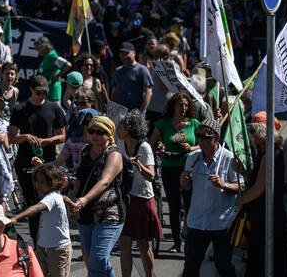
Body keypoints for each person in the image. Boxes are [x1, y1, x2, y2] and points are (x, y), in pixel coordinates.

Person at [179, 121, 244, 277]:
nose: (201, 141)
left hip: (220, 223)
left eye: (206, 137)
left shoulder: (229, 159)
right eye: (198, 136)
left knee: (223, 266)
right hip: (197, 221)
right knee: (190, 267)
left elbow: (241, 186)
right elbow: (187, 189)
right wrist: (184, 181)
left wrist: (223, 184)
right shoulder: (192, 158)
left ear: (217, 138)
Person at [7, 76, 67, 245]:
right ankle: (36, 242)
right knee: (32, 202)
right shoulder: (20, 109)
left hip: (47, 162)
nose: (41, 96)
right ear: (31, 91)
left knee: (49, 200)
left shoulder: (54, 108)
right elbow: (11, 138)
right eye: (38, 92)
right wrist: (25, 137)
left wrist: (45, 141)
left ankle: (51, 241)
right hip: (26, 161)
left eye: (45, 93)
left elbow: (62, 136)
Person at [66, 115, 124, 277]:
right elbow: (80, 178)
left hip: (109, 213)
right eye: (92, 131)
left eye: (101, 132)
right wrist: (71, 197)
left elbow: (104, 182)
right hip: (86, 213)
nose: (96, 136)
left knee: (98, 259)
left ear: (109, 134)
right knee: (95, 261)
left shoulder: (114, 155)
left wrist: (84, 199)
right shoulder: (86, 151)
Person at [237, 112, 287, 277]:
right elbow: (257, 179)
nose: (251, 136)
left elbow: (259, 188)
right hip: (263, 216)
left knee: (263, 262)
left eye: (253, 132)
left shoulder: (270, 155)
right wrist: (243, 171)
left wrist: (239, 202)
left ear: (261, 133)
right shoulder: (265, 152)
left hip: (268, 218)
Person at [149, 92, 199, 253]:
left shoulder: (194, 124)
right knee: (174, 205)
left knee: (190, 205)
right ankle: (177, 242)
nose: (183, 108)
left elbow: (204, 144)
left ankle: (189, 238)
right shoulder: (163, 124)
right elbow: (151, 144)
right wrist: (160, 148)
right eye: (180, 105)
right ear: (173, 106)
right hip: (170, 167)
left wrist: (191, 148)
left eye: (186, 105)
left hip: (189, 168)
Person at [116, 111, 159, 277]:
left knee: (142, 244)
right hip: (126, 198)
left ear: (127, 130)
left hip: (142, 199)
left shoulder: (145, 146)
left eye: (120, 126)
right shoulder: (120, 144)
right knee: (125, 242)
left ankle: (149, 275)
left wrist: (138, 164)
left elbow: (151, 176)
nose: (118, 129)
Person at [11, 164, 71, 277]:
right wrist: (72, 203)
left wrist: (16, 217)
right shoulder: (55, 195)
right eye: (36, 181)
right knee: (38, 273)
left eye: (42, 182)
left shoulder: (51, 197)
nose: (38, 185)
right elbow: (64, 198)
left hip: (58, 249)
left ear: (52, 181)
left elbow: (36, 208)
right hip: (43, 246)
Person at [111, 42, 152, 116]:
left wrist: (140, 112)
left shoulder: (142, 70)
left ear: (134, 53)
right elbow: (114, 91)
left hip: (135, 114)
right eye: (122, 54)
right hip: (119, 113)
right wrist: (112, 109)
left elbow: (148, 92)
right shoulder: (118, 70)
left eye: (126, 53)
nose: (124, 56)